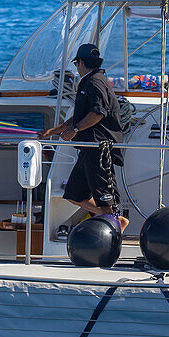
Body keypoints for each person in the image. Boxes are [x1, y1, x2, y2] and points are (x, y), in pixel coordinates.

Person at [39, 43, 128, 234]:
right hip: (87, 149)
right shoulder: (90, 81)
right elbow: (82, 113)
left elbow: (98, 113)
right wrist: (55, 130)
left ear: (80, 62)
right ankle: (114, 219)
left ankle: (113, 228)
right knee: (73, 193)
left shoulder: (95, 82)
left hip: (98, 149)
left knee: (105, 197)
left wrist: (75, 129)